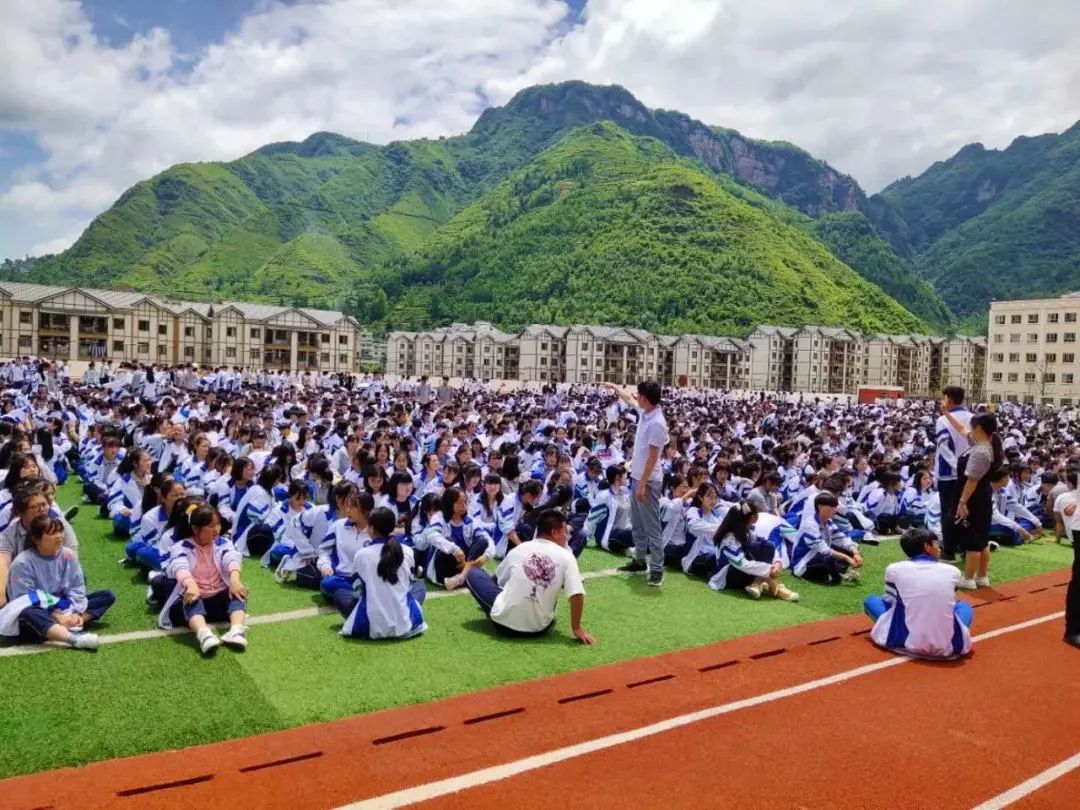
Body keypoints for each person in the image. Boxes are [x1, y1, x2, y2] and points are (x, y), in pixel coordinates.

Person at [464, 509, 594, 643]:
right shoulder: (567, 556)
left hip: (503, 624)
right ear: (554, 533)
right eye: (565, 531)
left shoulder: (520, 548)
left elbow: (499, 582)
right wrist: (577, 628)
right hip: (541, 627)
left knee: (472, 572)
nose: (567, 536)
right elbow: (576, 594)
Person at [1, 515, 114, 650]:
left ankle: (75, 623)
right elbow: (23, 600)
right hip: (41, 612)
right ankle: (74, 639)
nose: (59, 536)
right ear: (36, 539)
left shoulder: (68, 555)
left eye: (60, 531)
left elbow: (77, 587)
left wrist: (76, 613)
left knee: (107, 596)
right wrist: (57, 616)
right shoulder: (23, 563)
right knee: (29, 613)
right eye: (52, 533)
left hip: (66, 607)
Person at [864, 528, 973, 660]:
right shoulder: (953, 571)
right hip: (950, 644)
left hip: (903, 638)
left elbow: (890, 601)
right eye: (937, 544)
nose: (939, 548)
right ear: (927, 547)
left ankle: (902, 633)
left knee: (871, 601)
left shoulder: (894, 569)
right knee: (964, 607)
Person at [157, 502, 249, 654]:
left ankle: (236, 631)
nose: (216, 529)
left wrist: (234, 580)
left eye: (218, 525)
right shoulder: (181, 546)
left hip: (218, 600)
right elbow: (180, 566)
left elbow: (231, 558)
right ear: (195, 529)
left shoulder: (223, 542)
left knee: (238, 591)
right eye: (211, 526)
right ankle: (204, 635)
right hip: (196, 600)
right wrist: (190, 584)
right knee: (190, 597)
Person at [605, 380, 668, 587]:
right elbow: (629, 399)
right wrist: (615, 387)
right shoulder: (646, 413)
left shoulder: (657, 422)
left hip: (647, 481)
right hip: (637, 477)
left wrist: (641, 485)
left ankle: (657, 568)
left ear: (646, 398)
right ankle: (640, 560)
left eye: (639, 394)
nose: (636, 397)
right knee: (638, 523)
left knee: (651, 526)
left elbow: (653, 457)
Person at [334, 507, 427, 640]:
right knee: (419, 586)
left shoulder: (362, 555)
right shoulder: (407, 551)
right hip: (404, 623)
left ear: (371, 528)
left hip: (370, 626)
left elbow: (357, 588)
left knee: (340, 594)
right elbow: (407, 583)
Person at [942, 410, 1002, 590]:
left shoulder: (981, 451)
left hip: (973, 497)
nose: (969, 429)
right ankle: (982, 576)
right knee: (981, 539)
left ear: (979, 428)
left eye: (972, 426)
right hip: (979, 495)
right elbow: (961, 429)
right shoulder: (982, 443)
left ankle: (968, 578)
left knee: (972, 540)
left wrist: (962, 502)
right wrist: (946, 413)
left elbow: (972, 480)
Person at [935, 386, 972, 561]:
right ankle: (966, 548)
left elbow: (945, 447)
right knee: (966, 510)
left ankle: (948, 550)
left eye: (943, 399)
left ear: (949, 400)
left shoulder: (943, 420)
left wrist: (957, 467)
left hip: (949, 473)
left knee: (949, 512)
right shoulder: (973, 418)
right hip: (969, 473)